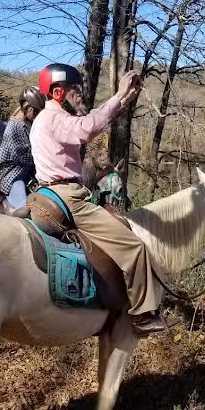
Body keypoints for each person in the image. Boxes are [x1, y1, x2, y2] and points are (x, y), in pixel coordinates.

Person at [29, 63, 171, 337]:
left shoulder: (45, 119)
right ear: (58, 93)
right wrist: (118, 95)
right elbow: (87, 128)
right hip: (70, 197)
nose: (79, 94)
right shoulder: (55, 118)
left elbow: (91, 120)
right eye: (74, 89)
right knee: (135, 247)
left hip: (49, 192)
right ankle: (144, 315)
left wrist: (123, 99)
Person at [0, 86, 46, 210]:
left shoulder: (26, 125)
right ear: (27, 108)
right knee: (24, 209)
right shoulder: (14, 127)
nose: (37, 115)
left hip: (25, 172)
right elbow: (27, 158)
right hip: (12, 175)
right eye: (35, 112)